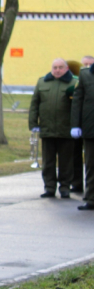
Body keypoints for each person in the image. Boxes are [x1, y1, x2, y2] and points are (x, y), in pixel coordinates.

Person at [29, 58, 75, 198]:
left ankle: (65, 187)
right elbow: (34, 104)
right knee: (48, 162)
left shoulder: (74, 83)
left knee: (66, 162)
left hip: (66, 130)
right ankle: (49, 187)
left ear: (66, 69)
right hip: (47, 129)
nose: (57, 70)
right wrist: (33, 124)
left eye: (61, 67)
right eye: (55, 67)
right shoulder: (42, 82)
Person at [72, 59, 94, 210]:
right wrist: (75, 125)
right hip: (90, 126)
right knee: (91, 165)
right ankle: (91, 199)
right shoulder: (86, 74)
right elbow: (78, 100)